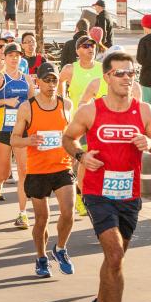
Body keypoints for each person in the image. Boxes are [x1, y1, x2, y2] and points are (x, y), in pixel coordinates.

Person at [62, 51, 151, 302]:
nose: (127, 78)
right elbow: (67, 138)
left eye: (130, 72)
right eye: (120, 73)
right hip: (98, 193)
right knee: (115, 253)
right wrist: (82, 156)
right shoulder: (90, 111)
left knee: (114, 259)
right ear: (106, 77)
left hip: (129, 195)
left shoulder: (144, 111)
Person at [11, 62, 76, 277]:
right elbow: (14, 140)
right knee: (42, 219)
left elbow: (71, 135)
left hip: (62, 167)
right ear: (37, 81)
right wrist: (29, 140)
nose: (51, 85)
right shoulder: (27, 107)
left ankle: (60, 248)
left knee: (68, 212)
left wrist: (76, 152)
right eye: (46, 80)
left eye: (54, 80)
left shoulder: (66, 105)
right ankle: (41, 257)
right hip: (38, 170)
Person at [0, 42, 33, 228]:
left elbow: (32, 103)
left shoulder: (27, 79)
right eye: (11, 55)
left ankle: (23, 214)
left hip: (21, 131)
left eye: (17, 55)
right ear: (4, 57)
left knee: (24, 172)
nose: (14, 58)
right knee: (4, 170)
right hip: (2, 130)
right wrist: (5, 101)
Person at [59, 35, 103, 216]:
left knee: (86, 160)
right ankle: (73, 192)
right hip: (77, 122)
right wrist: (64, 102)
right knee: (76, 161)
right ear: (77, 50)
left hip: (99, 123)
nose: (90, 49)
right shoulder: (71, 69)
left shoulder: (102, 69)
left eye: (92, 46)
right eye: (85, 46)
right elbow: (58, 82)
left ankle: (82, 194)